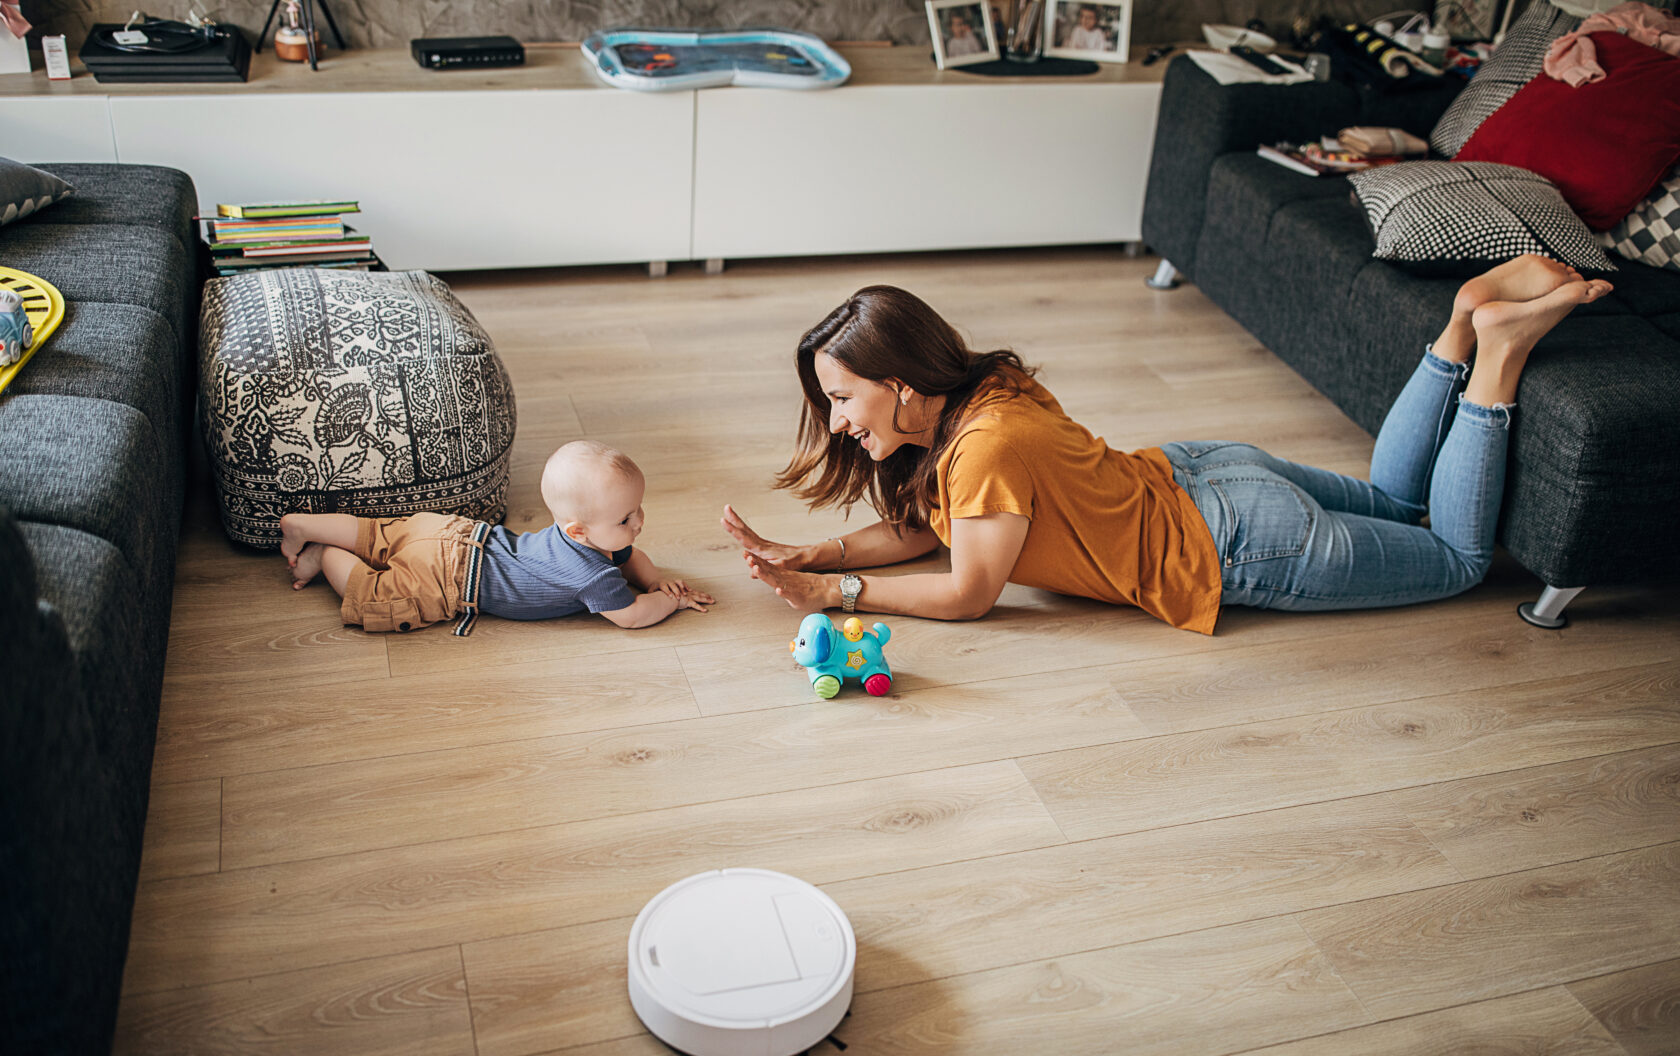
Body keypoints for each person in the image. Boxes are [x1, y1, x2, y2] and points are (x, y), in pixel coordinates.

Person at [721, 256, 1612, 630]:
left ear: (905, 385)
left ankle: (1494, 356)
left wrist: (834, 592)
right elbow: (941, 526)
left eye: (842, 398)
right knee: (1397, 508)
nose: (837, 420)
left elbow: (968, 590)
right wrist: (820, 550)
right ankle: (1458, 323)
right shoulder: (987, 387)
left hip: (1232, 542)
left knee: (1457, 557)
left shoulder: (985, 451)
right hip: (1205, 469)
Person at [283, 439, 713, 635]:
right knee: (374, 596)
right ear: (577, 530)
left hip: (455, 532)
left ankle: (306, 524)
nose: (637, 522)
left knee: (377, 533)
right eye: (625, 517)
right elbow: (632, 616)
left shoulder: (595, 540)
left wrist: (654, 578)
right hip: (449, 580)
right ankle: (326, 554)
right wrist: (669, 600)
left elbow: (630, 555)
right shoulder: (591, 577)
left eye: (637, 509)